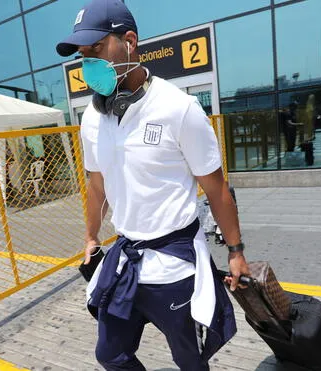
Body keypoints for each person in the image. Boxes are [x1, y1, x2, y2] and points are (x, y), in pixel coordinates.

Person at [55, 0, 249, 369]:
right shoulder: (92, 119)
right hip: (125, 262)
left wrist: (236, 251)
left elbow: (216, 189)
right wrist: (91, 237)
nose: (88, 66)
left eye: (95, 50)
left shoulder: (179, 108)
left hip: (175, 268)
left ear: (130, 41)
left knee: (190, 360)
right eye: (83, 57)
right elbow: (97, 186)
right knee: (109, 354)